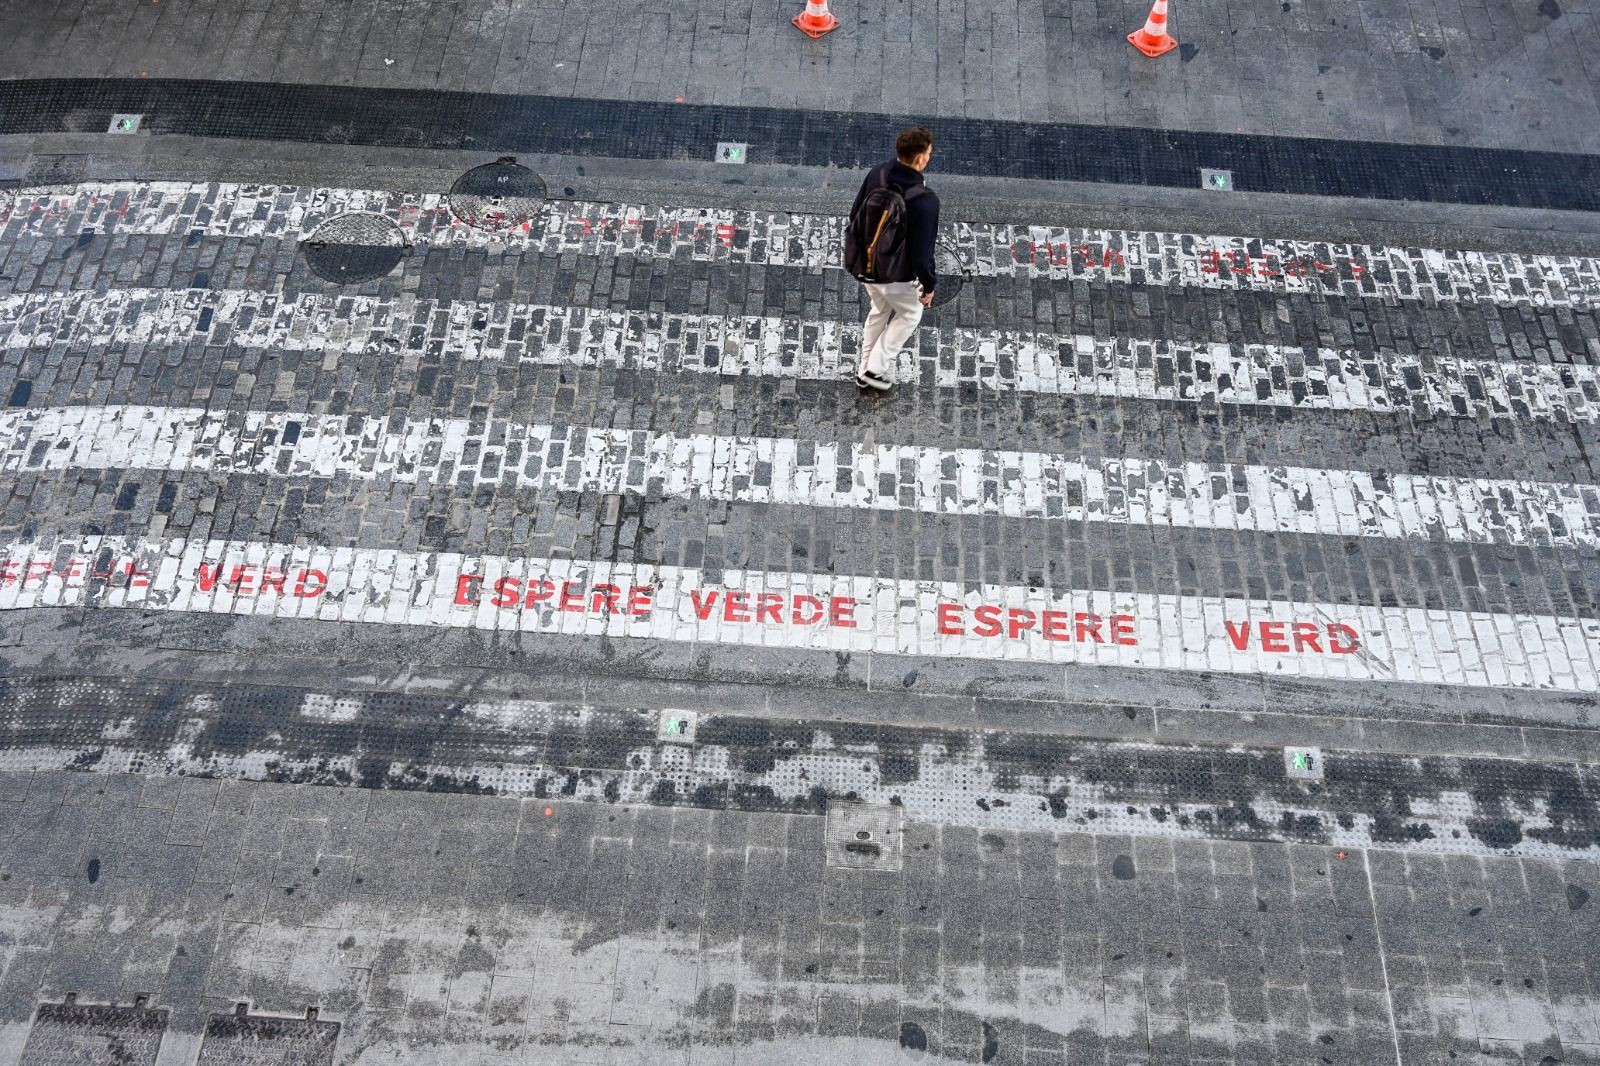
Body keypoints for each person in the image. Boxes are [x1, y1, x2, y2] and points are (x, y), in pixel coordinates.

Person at [848, 127, 940, 392]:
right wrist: (929, 285)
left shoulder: (878, 173)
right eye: (929, 153)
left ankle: (864, 370)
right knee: (910, 314)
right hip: (896, 275)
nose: (929, 157)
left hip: (866, 264)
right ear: (920, 158)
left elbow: (855, 214)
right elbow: (922, 254)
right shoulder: (925, 201)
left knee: (879, 311)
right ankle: (874, 369)